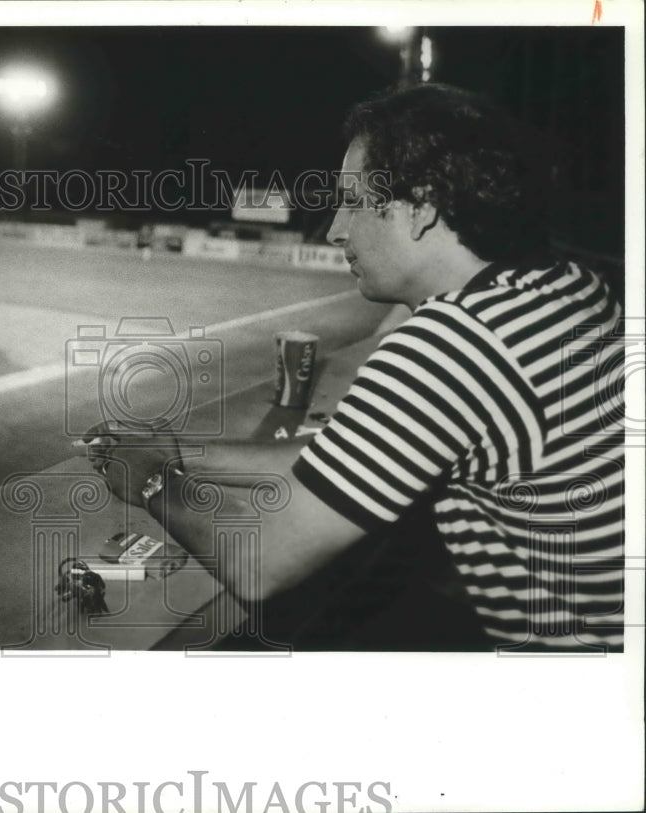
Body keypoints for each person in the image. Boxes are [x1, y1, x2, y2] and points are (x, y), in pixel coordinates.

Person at [84, 83, 625, 652]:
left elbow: (262, 564)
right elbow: (346, 460)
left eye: (352, 201)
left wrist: (151, 481)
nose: (337, 229)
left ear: (419, 207)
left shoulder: (453, 345)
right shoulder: (563, 286)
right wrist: (185, 452)